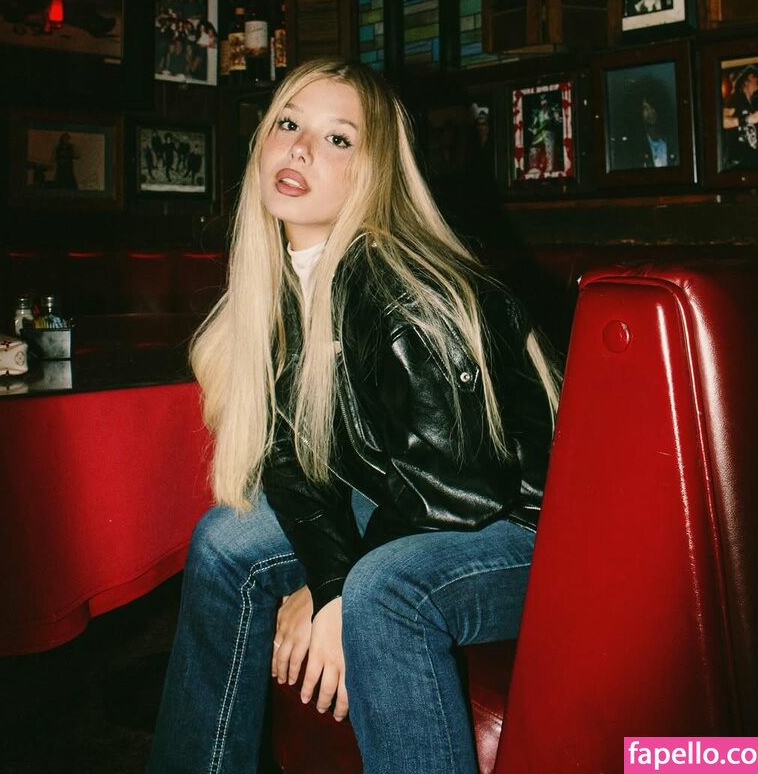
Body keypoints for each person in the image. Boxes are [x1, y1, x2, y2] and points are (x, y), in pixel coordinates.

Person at [148, 60, 559, 774]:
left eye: (338, 138)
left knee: (381, 593)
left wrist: (335, 593)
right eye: (288, 123)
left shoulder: (403, 288)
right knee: (225, 540)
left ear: (375, 172)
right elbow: (292, 464)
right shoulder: (278, 285)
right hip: (417, 491)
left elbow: (459, 489)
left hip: (528, 523)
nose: (301, 148)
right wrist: (327, 578)